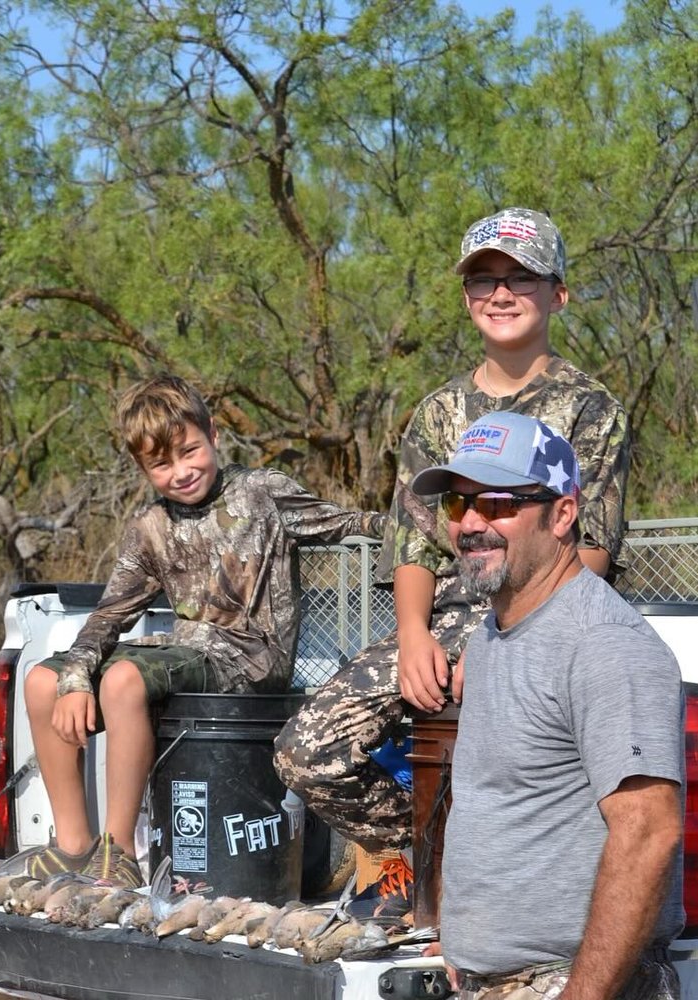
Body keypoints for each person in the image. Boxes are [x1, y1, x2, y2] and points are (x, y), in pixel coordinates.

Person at [273, 207, 631, 908]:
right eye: (483, 281)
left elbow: (592, 551)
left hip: (552, 616)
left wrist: (503, 645)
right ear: (466, 299)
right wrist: (411, 637)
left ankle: (486, 881)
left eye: (518, 278)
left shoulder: (593, 409)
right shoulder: (436, 413)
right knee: (305, 750)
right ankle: (425, 854)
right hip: (448, 614)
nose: (499, 294)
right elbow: (409, 541)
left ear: (557, 293)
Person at [22, 374, 386, 887]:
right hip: (189, 651)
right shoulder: (149, 526)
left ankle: (120, 853)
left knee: (124, 679)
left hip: (250, 659)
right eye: (161, 464)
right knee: (41, 682)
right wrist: (75, 680)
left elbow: (346, 524)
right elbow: (108, 616)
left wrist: (424, 528)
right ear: (142, 468)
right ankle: (74, 846)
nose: (181, 472)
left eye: (189, 451)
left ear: (213, 434)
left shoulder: (263, 493)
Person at [413, 411, 683, 999]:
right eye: (459, 505)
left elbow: (648, 833)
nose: (473, 524)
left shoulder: (604, 644)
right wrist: (469, 941)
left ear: (563, 514)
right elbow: (504, 801)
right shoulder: (491, 636)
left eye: (499, 503)